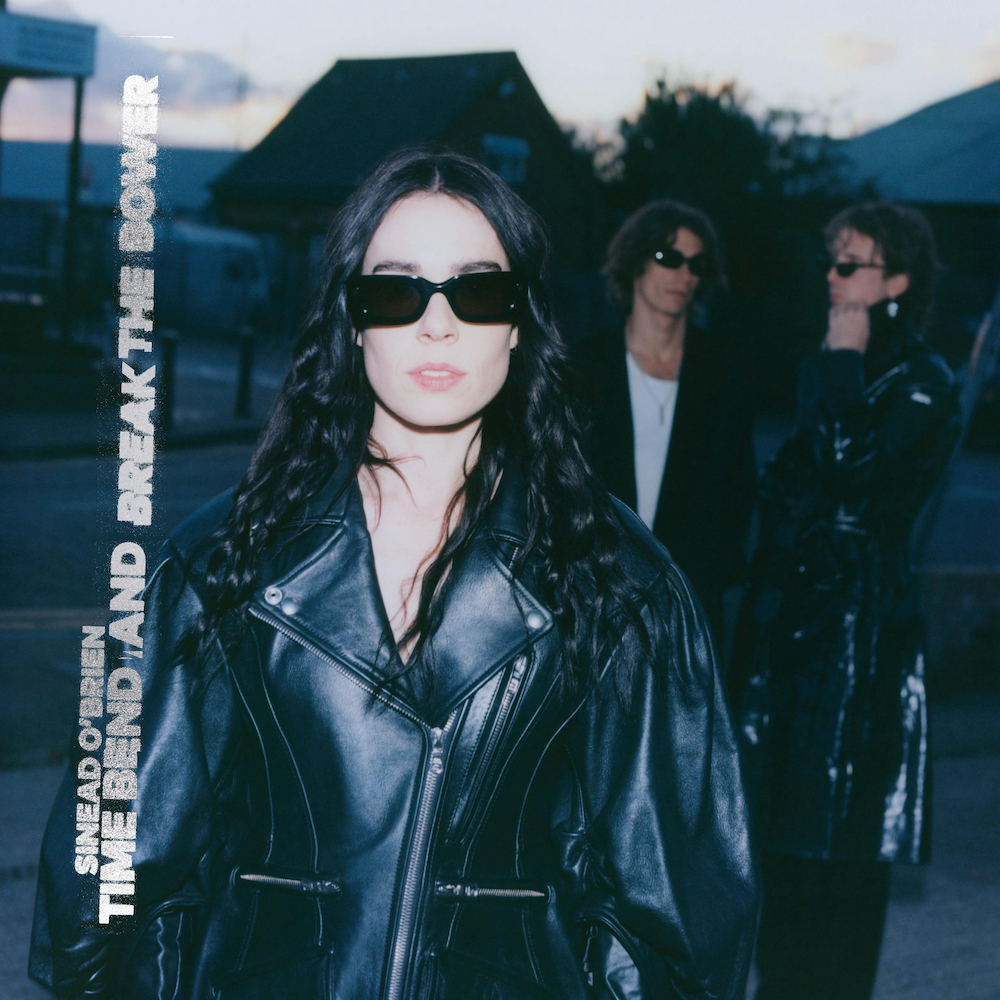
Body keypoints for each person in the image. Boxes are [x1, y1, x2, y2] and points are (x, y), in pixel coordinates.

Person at [30, 150, 758, 1000]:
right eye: (397, 291)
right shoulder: (221, 564)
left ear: (518, 322)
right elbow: (112, 874)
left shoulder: (622, 586)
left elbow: (674, 923)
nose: (437, 325)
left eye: (477, 291)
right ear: (352, 318)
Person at [729, 202, 962, 1000]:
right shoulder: (835, 363)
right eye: (831, 260)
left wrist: (842, 365)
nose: (831, 276)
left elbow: (851, 470)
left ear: (897, 282)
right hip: (791, 635)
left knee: (841, 860)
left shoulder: (924, 380)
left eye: (851, 264)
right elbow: (788, 495)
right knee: (780, 855)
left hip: (859, 643)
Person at [579, 200, 756, 643]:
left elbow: (738, 487)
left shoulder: (723, 371)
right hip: (595, 593)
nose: (684, 274)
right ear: (635, 262)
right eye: (668, 257)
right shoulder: (584, 366)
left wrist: (719, 572)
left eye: (697, 264)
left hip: (690, 598)